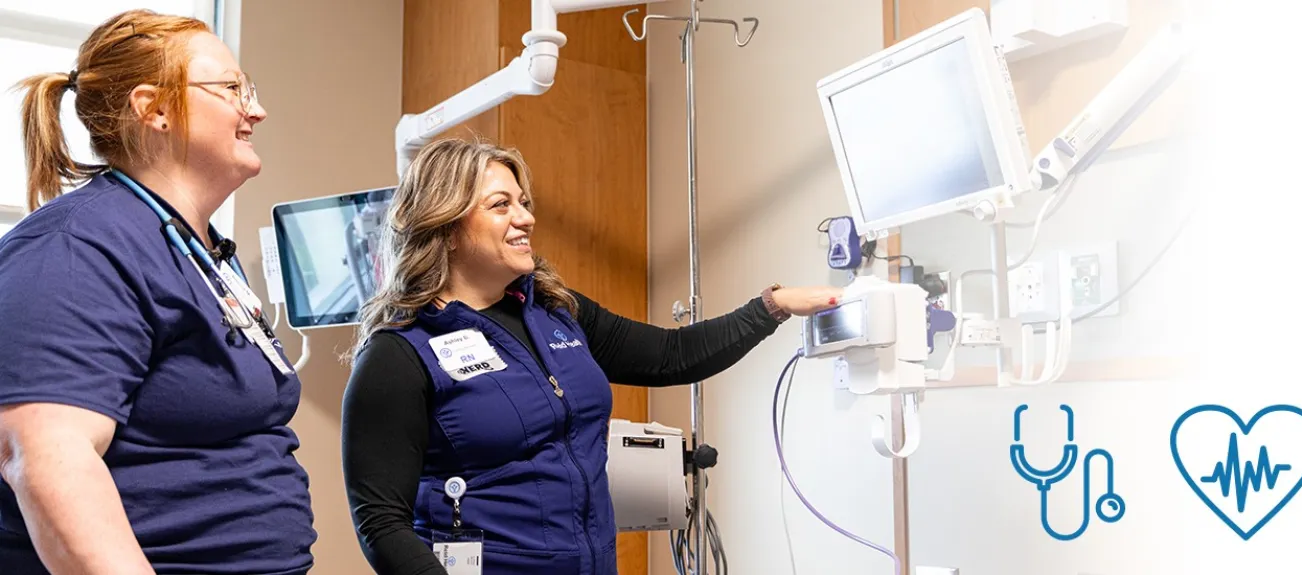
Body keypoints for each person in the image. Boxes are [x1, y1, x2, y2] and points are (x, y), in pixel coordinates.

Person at [341, 138, 840, 575]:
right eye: (501, 205)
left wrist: (772, 307)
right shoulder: (399, 354)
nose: (525, 218)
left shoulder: (558, 311)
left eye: (524, 202)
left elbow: (672, 356)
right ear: (446, 227)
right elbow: (381, 523)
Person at [0, 9, 315, 575]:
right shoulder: (77, 248)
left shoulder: (199, 249)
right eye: (231, 88)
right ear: (155, 109)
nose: (256, 109)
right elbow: (47, 459)